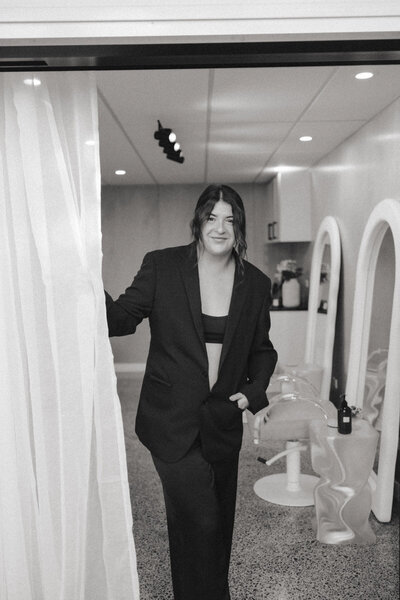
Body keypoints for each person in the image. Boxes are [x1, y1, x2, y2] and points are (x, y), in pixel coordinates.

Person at [105, 184, 278, 600]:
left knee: (213, 523)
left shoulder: (254, 283)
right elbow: (123, 318)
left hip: (220, 423)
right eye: (212, 217)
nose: (220, 228)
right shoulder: (163, 266)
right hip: (169, 420)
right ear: (198, 222)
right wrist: (83, 283)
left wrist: (253, 394)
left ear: (239, 228)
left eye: (230, 219)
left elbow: (262, 350)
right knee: (201, 519)